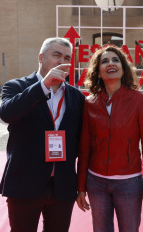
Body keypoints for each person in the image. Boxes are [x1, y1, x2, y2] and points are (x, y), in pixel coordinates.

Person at [0, 37, 85, 232]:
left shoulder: (76, 97)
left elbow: (82, 139)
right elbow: (7, 115)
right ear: (41, 57)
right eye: (56, 55)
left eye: (67, 57)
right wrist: (43, 85)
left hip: (62, 186)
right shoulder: (16, 86)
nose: (62, 61)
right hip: (24, 183)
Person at [76, 46, 143, 232]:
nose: (110, 63)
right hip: (96, 182)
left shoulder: (139, 100)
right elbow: (84, 149)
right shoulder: (89, 103)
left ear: (124, 68)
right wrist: (81, 186)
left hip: (129, 183)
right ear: (97, 71)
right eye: (104, 61)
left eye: (115, 60)